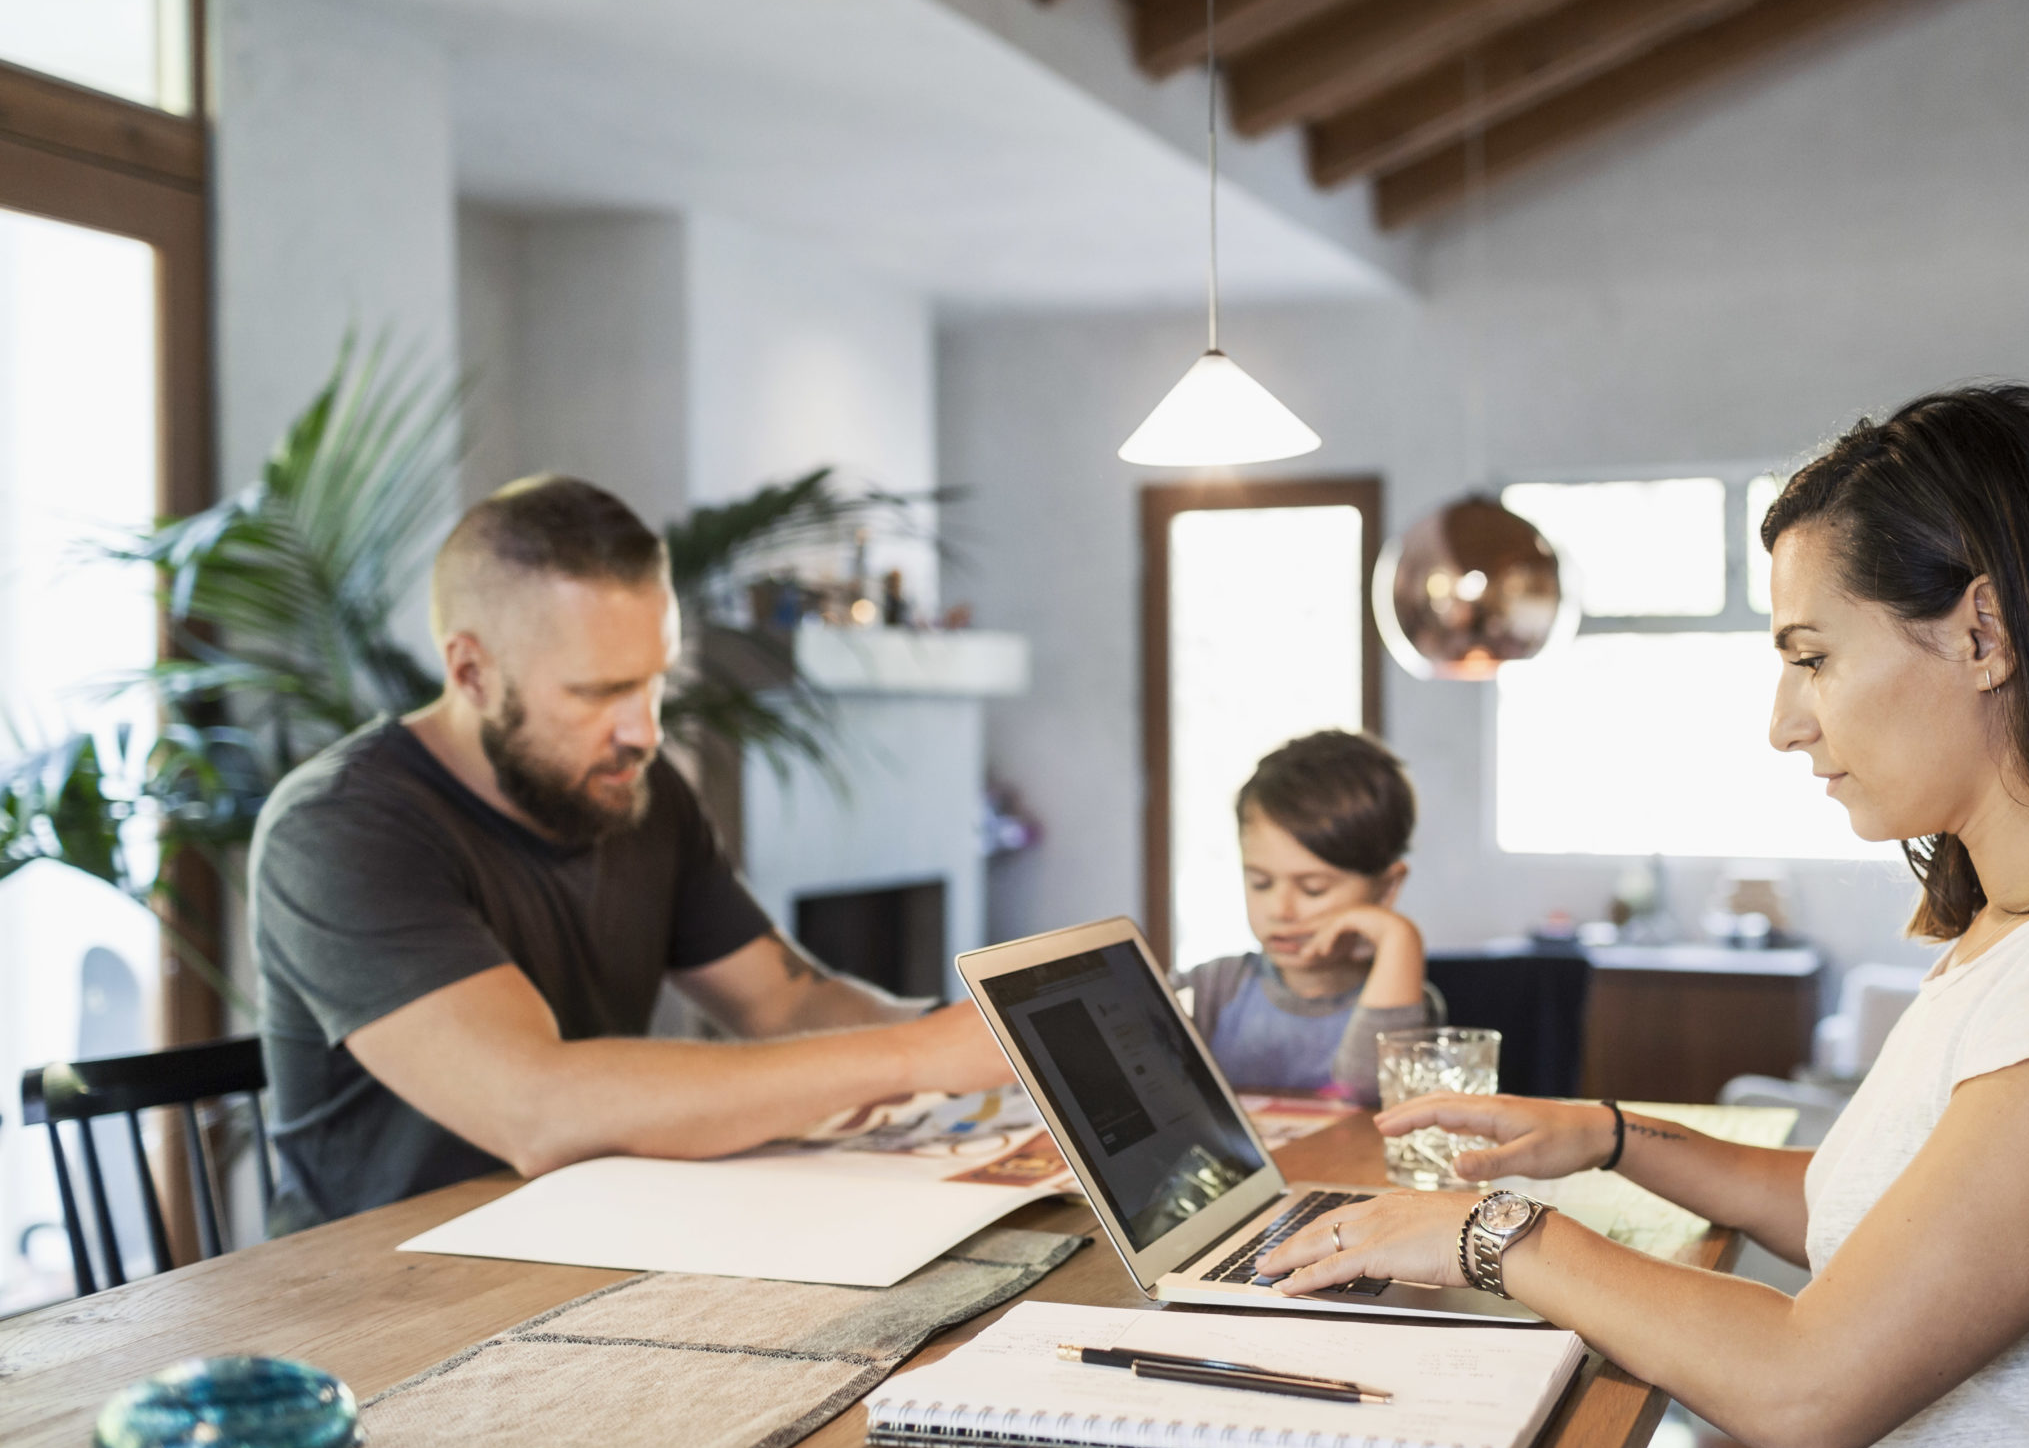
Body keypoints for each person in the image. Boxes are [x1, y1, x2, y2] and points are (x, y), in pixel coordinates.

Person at [1260, 386, 2029, 1448]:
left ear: (1983, 635)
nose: (1783, 722)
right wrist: (1611, 1134)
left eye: (1811, 657)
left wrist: (1494, 1233)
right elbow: (1876, 1220)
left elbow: (1811, 1388)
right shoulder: (2027, 933)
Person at [248, 475, 1012, 1229]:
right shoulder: (338, 829)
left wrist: (987, 1047)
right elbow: (536, 1106)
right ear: (471, 671)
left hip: (600, 1234)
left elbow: (788, 1001)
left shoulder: (633, 793)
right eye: (598, 691)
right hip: (386, 1294)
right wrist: (916, 1056)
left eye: (652, 683)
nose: (643, 731)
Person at [1173, 730, 1442, 1102]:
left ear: (1386, 887)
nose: (1280, 910)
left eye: (1312, 888)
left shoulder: (1404, 1004)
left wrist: (1400, 937)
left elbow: (1364, 1090)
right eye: (1261, 883)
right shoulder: (1214, 988)